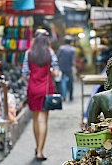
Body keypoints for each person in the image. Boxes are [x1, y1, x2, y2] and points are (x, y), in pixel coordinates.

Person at [21, 29, 59, 161]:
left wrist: (30, 81)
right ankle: (40, 152)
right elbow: (56, 73)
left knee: (35, 119)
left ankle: (37, 147)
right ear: (46, 40)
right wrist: (50, 70)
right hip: (46, 89)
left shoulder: (28, 53)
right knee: (43, 120)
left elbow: (24, 73)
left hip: (32, 89)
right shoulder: (50, 53)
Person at [57, 35, 76, 101]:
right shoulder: (72, 49)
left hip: (62, 68)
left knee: (63, 82)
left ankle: (64, 96)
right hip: (69, 68)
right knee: (70, 83)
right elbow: (73, 61)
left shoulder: (61, 48)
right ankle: (70, 96)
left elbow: (58, 58)